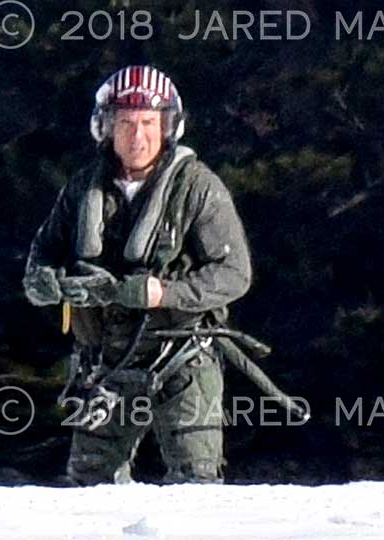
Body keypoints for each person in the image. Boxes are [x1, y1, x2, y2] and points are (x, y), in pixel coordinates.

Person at [22, 65, 252, 485]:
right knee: (88, 488)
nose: (138, 136)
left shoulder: (198, 188)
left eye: (149, 123)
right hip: (104, 365)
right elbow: (44, 254)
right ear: (105, 128)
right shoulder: (80, 190)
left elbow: (234, 274)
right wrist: (43, 281)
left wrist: (163, 293)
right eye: (125, 123)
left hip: (180, 358)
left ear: (168, 126)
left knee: (196, 485)